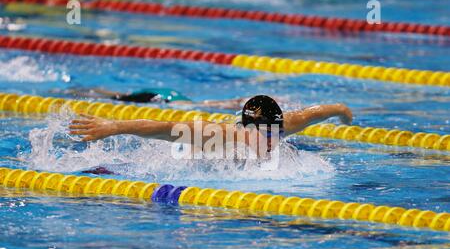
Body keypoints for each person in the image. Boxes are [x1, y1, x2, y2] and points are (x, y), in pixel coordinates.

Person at [69, 95, 352, 158]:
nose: (270, 140)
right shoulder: (221, 136)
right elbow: (163, 126)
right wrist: (113, 126)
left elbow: (326, 110)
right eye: (262, 134)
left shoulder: (289, 123)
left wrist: (342, 114)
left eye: (273, 133)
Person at [65, 87, 247, 110]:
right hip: (163, 97)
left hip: (169, 95)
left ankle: (78, 91)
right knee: (119, 97)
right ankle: (80, 91)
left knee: (120, 96)